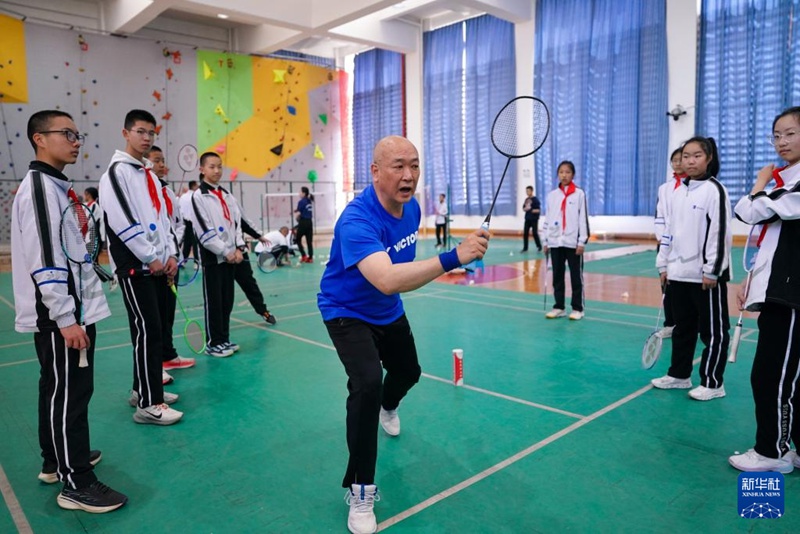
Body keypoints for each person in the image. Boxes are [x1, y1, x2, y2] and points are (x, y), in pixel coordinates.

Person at [317, 136, 489, 534]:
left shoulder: (411, 210)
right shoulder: (357, 219)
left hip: (387, 312)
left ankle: (389, 405)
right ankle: (361, 490)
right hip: (346, 311)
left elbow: (396, 279)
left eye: (414, 165)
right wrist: (453, 258)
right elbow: (387, 279)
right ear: (375, 171)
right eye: (398, 165)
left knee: (408, 372)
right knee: (366, 384)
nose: (408, 175)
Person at [12, 109, 127, 512]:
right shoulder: (41, 188)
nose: (77, 141)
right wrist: (65, 317)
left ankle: (54, 460)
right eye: (67, 133)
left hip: (69, 311)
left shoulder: (55, 187)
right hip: (62, 315)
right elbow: (45, 258)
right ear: (39, 139)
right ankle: (76, 482)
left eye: (78, 134)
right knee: (70, 396)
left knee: (56, 389)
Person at [99, 109, 183, 425]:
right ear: (126, 133)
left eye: (151, 133)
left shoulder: (146, 174)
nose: (146, 138)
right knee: (147, 331)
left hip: (159, 266)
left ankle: (141, 389)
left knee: (151, 330)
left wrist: (171, 254)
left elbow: (163, 221)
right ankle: (149, 404)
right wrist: (150, 256)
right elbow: (122, 221)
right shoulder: (117, 174)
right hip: (137, 266)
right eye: (140, 132)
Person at [729, 106, 800, 473]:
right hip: (778, 289)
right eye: (776, 135)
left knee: (772, 374)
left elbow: (747, 210)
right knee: (788, 375)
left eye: (790, 133)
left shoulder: (790, 184)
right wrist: (752, 276)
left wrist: (759, 182)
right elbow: (773, 236)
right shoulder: (786, 182)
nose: (781, 141)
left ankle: (771, 453)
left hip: (791, 297)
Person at [653, 136, 732, 401]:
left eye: (697, 155)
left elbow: (720, 233)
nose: (690, 160)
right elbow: (669, 232)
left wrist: (713, 270)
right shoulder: (677, 192)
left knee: (713, 332)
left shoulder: (714, 190)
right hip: (677, 274)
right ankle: (679, 375)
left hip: (705, 277)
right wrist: (663, 263)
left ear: (709, 158)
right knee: (682, 328)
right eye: (686, 155)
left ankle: (712, 383)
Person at [144, 146, 196, 377]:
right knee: (152, 320)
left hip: (169, 263)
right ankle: (153, 367)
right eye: (157, 161)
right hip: (150, 265)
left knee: (167, 313)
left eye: (163, 160)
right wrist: (154, 257)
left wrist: (173, 255)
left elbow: (176, 225)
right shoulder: (142, 190)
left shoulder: (167, 191)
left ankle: (168, 355)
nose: (162, 165)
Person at [188, 152, 243, 357]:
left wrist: (238, 248)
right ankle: (213, 342)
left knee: (227, 301)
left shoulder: (227, 195)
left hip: (231, 258)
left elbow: (236, 224)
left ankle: (224, 339)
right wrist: (225, 251)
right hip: (213, 259)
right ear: (202, 169)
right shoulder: (198, 196)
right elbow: (205, 232)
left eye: (219, 166)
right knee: (214, 302)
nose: (217, 170)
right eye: (212, 166)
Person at [543, 161, 589, 320]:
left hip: (572, 243)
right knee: (557, 276)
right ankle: (559, 306)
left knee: (576, 276)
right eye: (561, 172)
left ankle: (578, 308)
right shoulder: (552, 196)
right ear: (558, 174)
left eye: (567, 172)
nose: (564, 175)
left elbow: (583, 219)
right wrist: (545, 241)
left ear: (573, 174)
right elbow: (548, 219)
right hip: (555, 242)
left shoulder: (579, 194)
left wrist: (582, 241)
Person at [225, 186, 278, 325]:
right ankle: (222, 326)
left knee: (250, 285)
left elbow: (242, 223)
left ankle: (263, 311)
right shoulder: (203, 200)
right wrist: (225, 251)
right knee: (225, 294)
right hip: (222, 257)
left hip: (240, 254)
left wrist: (258, 236)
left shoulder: (229, 199)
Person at [653, 148, 687, 339]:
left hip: (685, 244)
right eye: (673, 160)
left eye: (680, 159)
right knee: (667, 284)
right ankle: (670, 323)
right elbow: (659, 215)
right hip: (665, 244)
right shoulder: (664, 188)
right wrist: (662, 238)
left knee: (684, 286)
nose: (677, 163)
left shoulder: (692, 187)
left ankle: (686, 324)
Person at [180, 180, 200, 260]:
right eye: (197, 185)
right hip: (194, 222)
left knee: (186, 242)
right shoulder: (195, 196)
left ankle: (183, 260)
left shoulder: (183, 197)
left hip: (185, 222)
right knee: (195, 242)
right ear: (194, 186)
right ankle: (196, 261)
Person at [295, 186, 314, 263]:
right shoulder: (309, 201)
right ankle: (310, 258)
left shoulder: (301, 202)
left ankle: (303, 255)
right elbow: (305, 209)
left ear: (304, 193)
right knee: (309, 241)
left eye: (300, 192)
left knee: (297, 239)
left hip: (303, 222)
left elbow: (299, 213)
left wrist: (297, 218)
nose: (299, 193)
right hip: (310, 222)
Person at [521, 185, 542, 253]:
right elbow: (524, 208)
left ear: (532, 191)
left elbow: (538, 210)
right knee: (525, 233)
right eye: (526, 191)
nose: (527, 192)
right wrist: (525, 209)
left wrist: (532, 210)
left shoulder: (535, 200)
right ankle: (525, 248)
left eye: (528, 191)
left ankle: (539, 246)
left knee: (534, 233)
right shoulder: (526, 200)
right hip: (527, 218)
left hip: (534, 219)